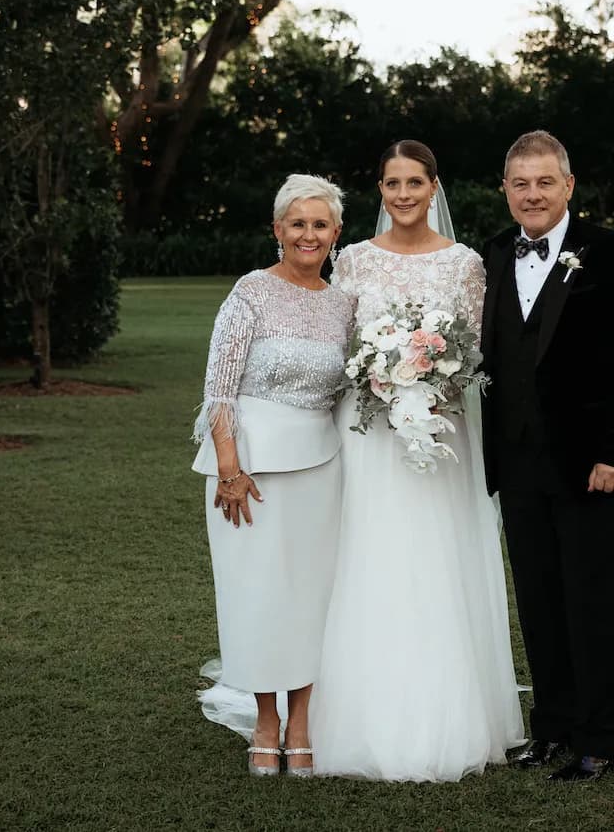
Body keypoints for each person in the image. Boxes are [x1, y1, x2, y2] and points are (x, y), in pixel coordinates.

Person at [308, 140, 525, 781]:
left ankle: (450, 710)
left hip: (442, 435)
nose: (403, 194)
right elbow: (336, 343)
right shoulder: (352, 262)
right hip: (369, 434)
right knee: (370, 556)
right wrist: (380, 376)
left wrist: (432, 383)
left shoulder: (464, 264)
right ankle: (358, 707)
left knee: (438, 558)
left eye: (414, 182)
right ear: (379, 189)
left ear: (435, 187)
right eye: (392, 183)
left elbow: (481, 349)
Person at [479, 129, 614, 784]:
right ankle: (551, 726)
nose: (532, 193)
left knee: (594, 601)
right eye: (520, 183)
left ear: (568, 186)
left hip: (592, 465)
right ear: (505, 189)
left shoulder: (610, 253)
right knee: (540, 601)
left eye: (544, 181)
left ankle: (600, 739)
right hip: (517, 462)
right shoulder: (495, 254)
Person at [192, 174, 354, 777]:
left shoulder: (345, 304)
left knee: (315, 595)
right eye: (297, 223)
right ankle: (265, 720)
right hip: (249, 470)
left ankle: (304, 721)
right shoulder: (251, 291)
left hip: (322, 466)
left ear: (336, 234)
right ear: (278, 230)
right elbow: (219, 388)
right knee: (257, 594)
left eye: (320, 224)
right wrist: (230, 469)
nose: (307, 234)